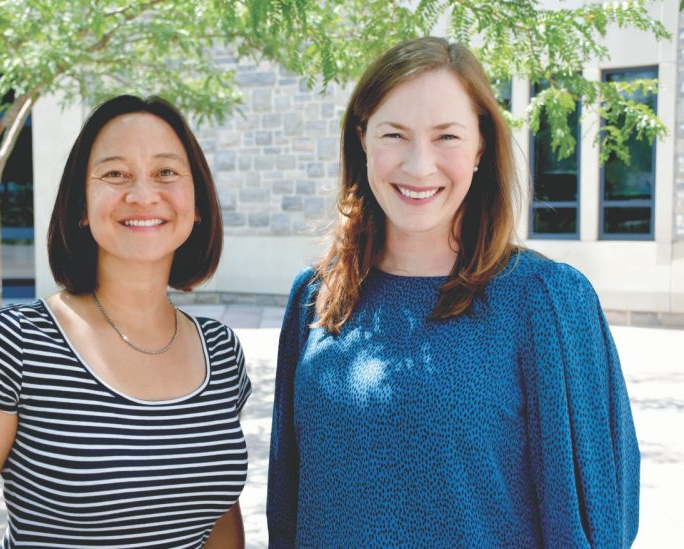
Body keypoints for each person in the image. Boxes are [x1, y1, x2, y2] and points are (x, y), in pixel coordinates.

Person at [267, 37, 639, 548]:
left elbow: (595, 521)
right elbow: (287, 511)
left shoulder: (545, 302)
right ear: (363, 139)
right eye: (395, 134)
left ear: (481, 146)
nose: (420, 166)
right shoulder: (315, 297)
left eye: (447, 137)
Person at [0, 95, 251, 548]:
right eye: (115, 174)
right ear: (81, 204)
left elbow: (217, 523)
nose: (141, 194)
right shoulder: (10, 345)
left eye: (166, 173)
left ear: (197, 205)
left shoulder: (220, 350)